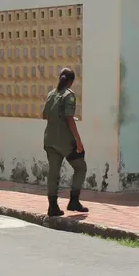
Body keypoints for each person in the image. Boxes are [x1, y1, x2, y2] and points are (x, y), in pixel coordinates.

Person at [41, 67, 88, 216]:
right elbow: (69, 119)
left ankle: (52, 206)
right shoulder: (69, 95)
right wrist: (78, 141)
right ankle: (74, 200)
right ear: (71, 81)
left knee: (53, 173)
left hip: (50, 139)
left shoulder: (51, 94)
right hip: (65, 142)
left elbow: (45, 115)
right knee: (81, 167)